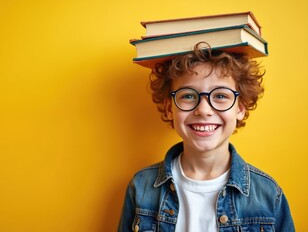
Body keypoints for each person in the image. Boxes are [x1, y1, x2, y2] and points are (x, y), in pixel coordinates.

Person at [118, 43, 295, 232]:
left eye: (220, 95)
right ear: (170, 109)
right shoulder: (141, 187)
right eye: (188, 96)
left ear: (240, 108)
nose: (203, 110)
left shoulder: (269, 194)